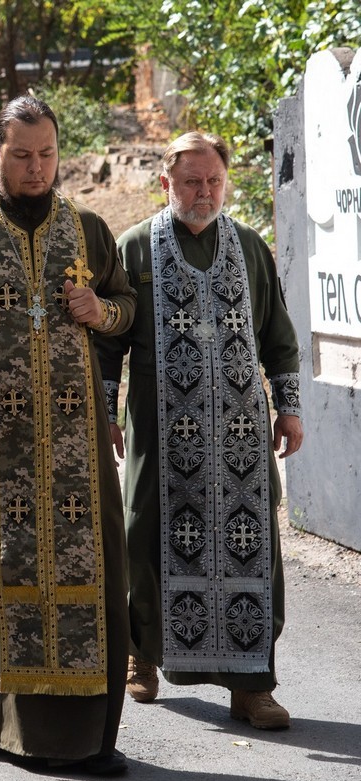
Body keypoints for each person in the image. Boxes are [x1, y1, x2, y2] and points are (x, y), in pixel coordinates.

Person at [0, 95, 136, 774]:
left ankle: (88, 735)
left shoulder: (92, 229)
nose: (36, 168)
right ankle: (2, 724)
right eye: (21, 155)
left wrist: (103, 311)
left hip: (79, 439)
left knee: (90, 572)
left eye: (46, 154)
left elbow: (126, 306)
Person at [95, 132, 302, 730]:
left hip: (240, 443)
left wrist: (288, 408)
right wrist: (107, 414)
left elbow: (278, 337)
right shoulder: (133, 249)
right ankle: (142, 657)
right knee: (147, 541)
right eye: (191, 181)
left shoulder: (250, 248)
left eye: (213, 181)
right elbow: (108, 349)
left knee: (251, 551)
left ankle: (251, 685)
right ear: (166, 183)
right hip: (161, 440)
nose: (204, 192)